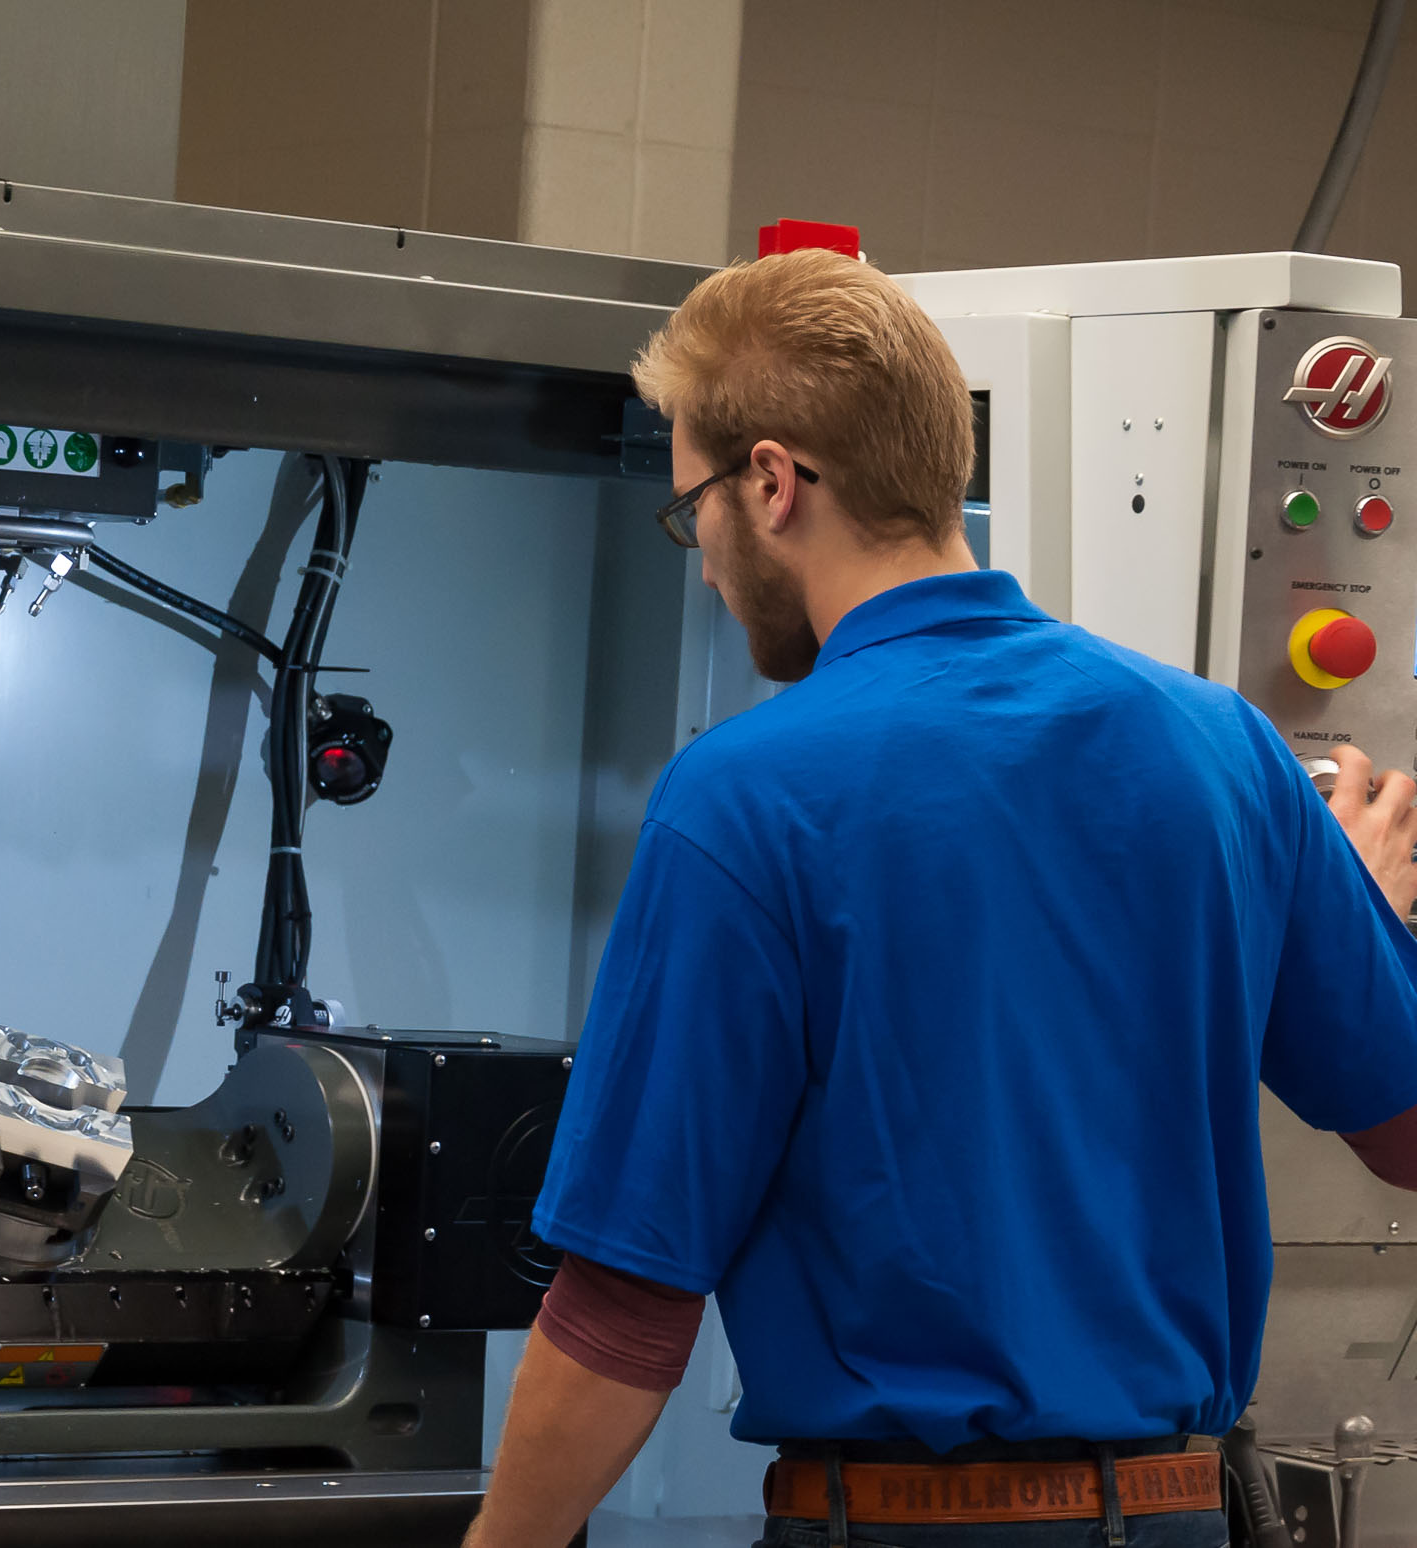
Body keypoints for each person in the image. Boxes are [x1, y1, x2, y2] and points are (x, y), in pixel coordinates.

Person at [466, 249, 1417, 1548]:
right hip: (1179, 1517)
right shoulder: (1228, 750)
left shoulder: (746, 796)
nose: (699, 562)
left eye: (693, 509)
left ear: (771, 481)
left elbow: (627, 1308)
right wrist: (1367, 922)